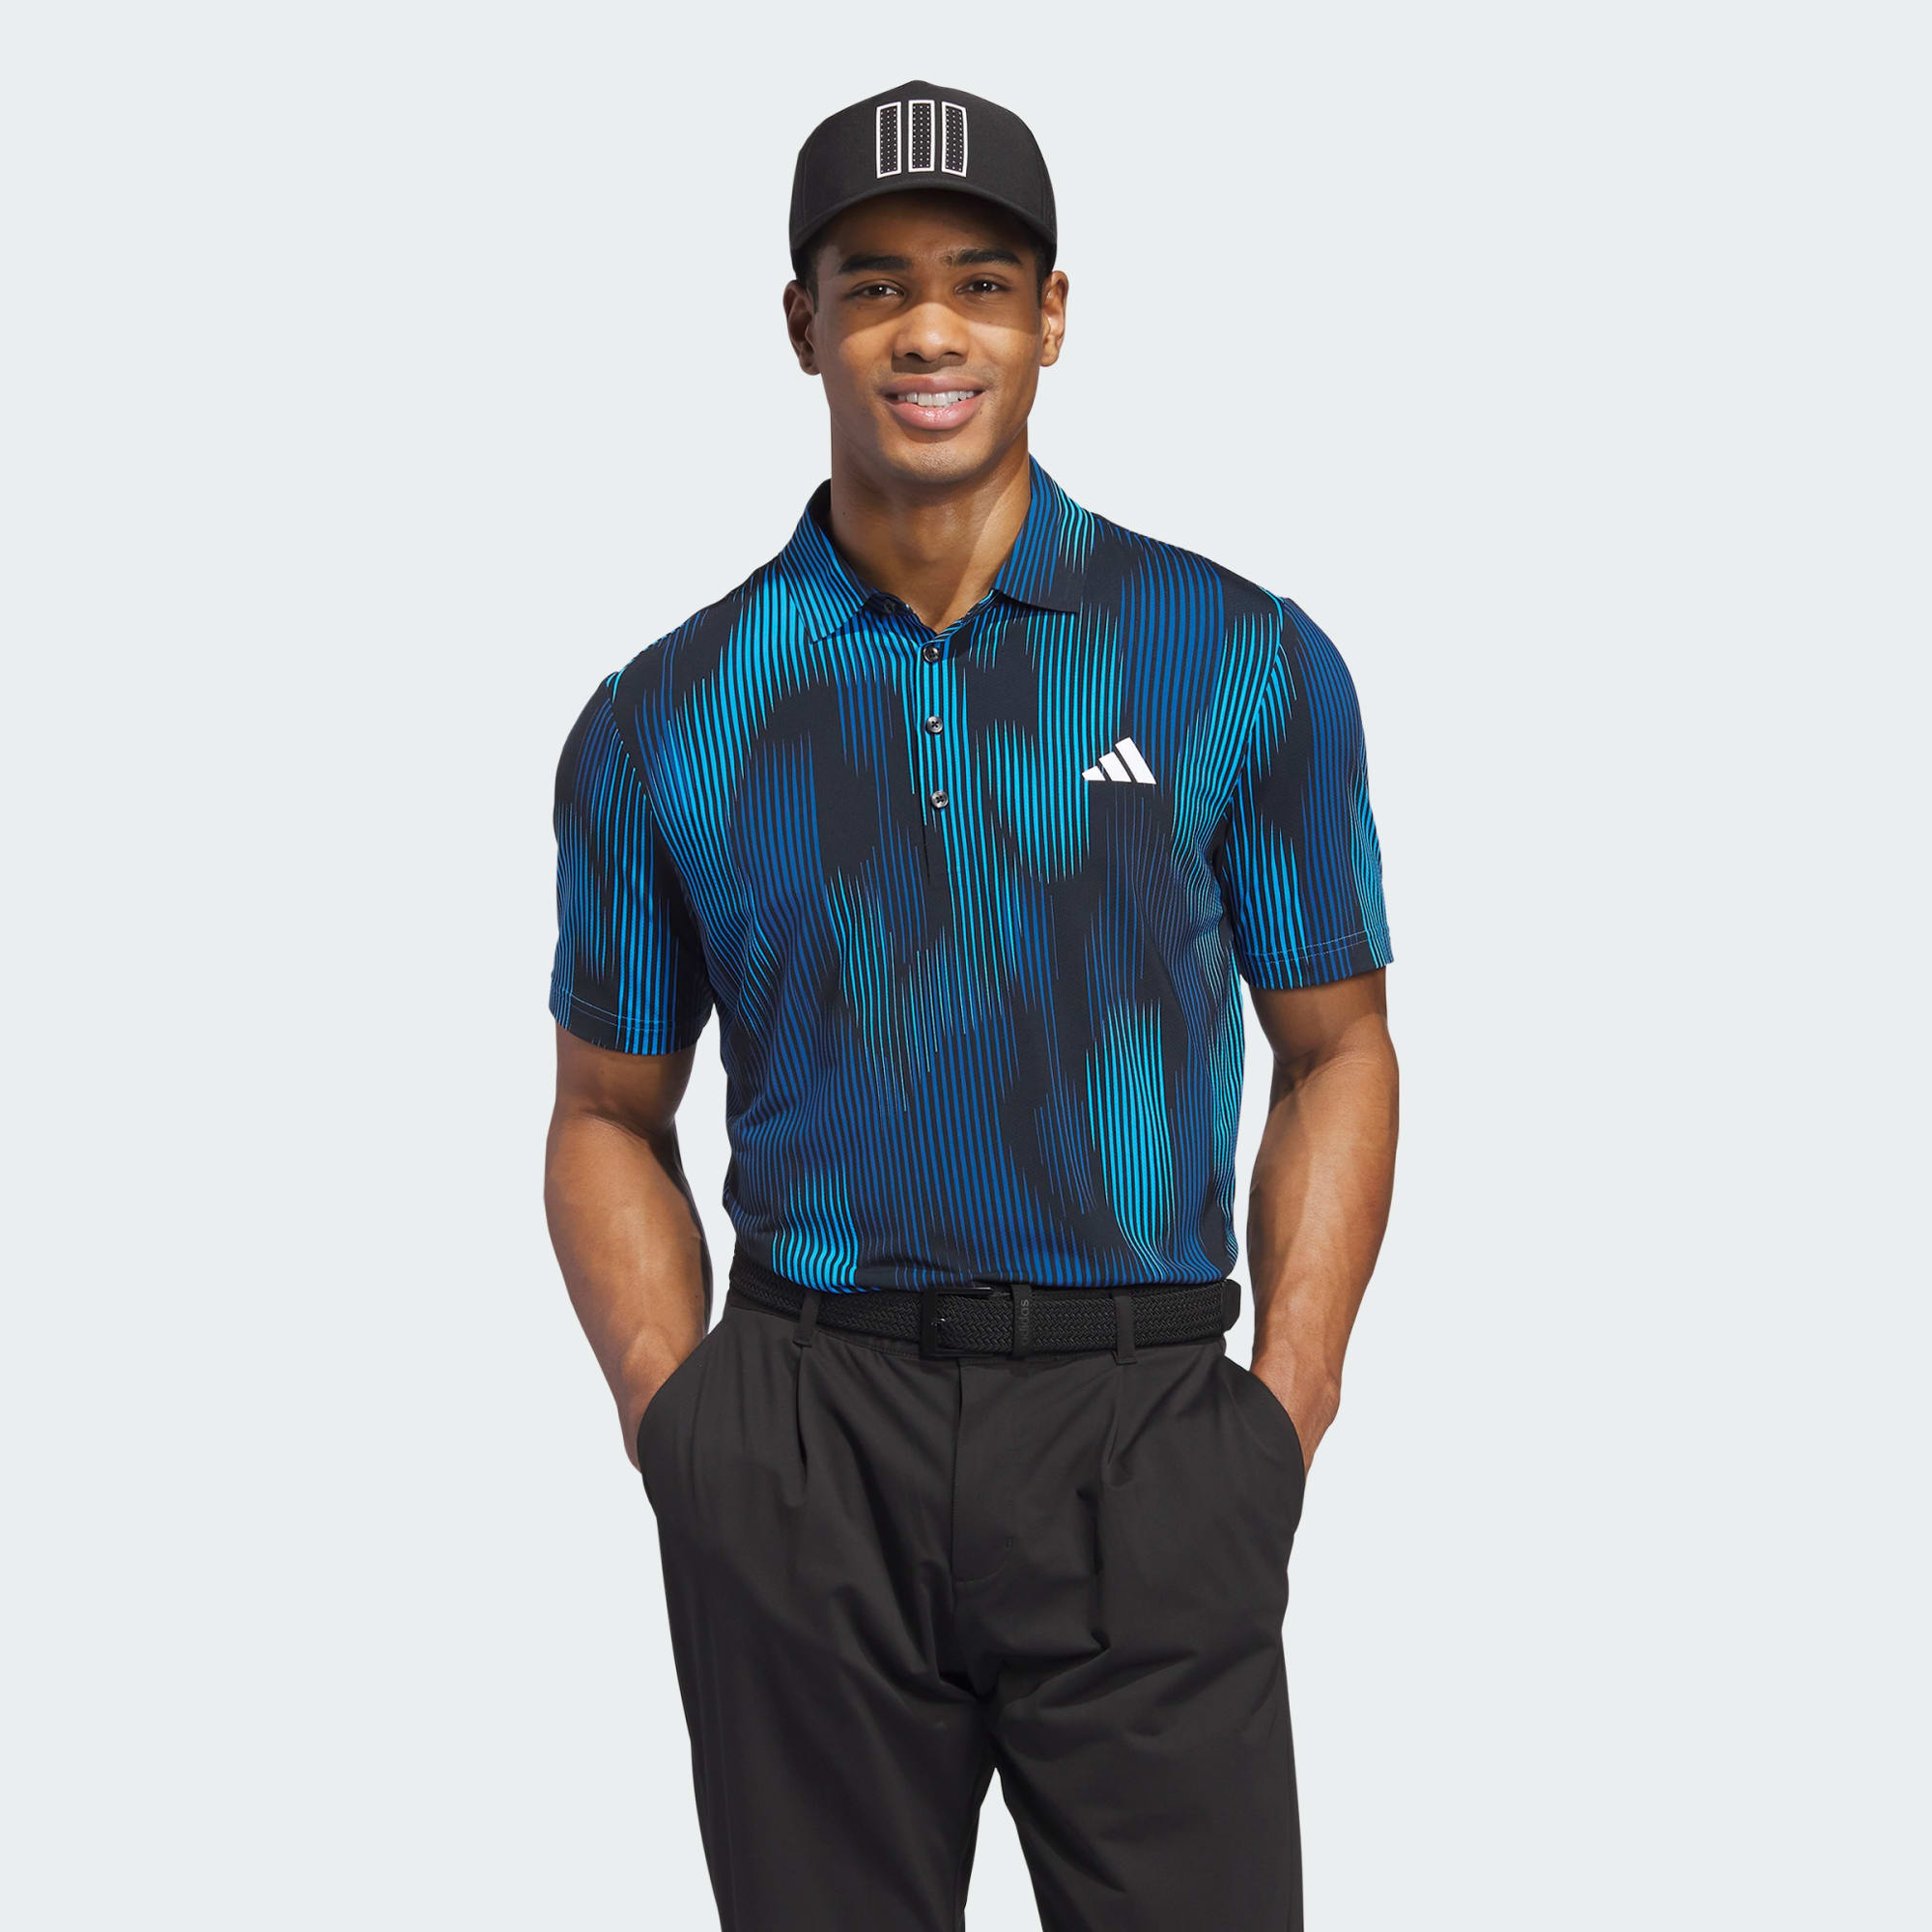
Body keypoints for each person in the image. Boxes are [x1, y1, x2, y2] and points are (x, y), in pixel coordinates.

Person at [544, 77, 1399, 1932]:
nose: (928, 331)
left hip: (1140, 1433)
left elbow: (1336, 1048)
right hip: (805, 1442)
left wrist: (1285, 1409)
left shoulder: (1237, 660)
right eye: (874, 286)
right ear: (803, 325)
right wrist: (680, 1426)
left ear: (1052, 316)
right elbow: (606, 1108)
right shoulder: (665, 713)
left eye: (981, 284)